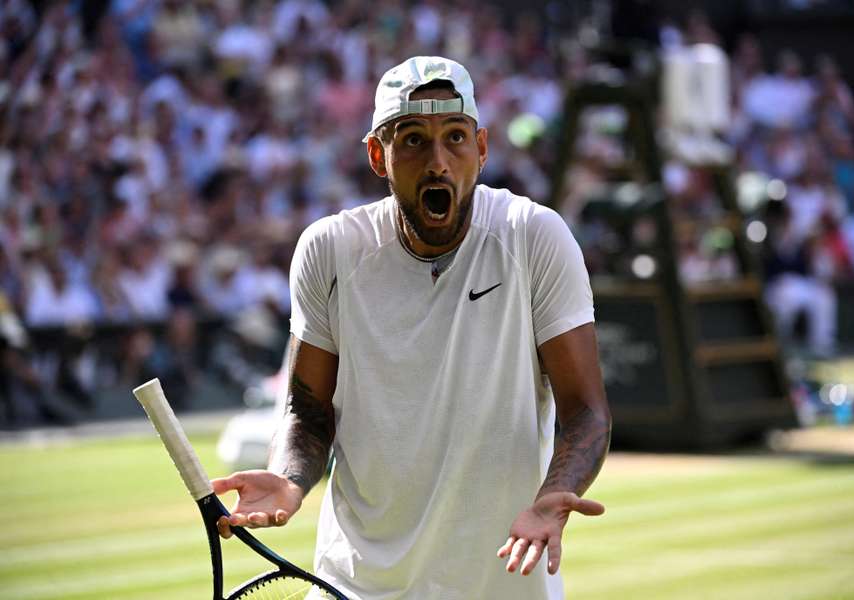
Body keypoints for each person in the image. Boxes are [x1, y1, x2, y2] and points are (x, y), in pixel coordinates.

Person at [211, 56, 612, 599]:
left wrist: (555, 494)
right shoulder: (329, 250)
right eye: (413, 140)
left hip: (501, 585)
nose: (438, 162)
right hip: (356, 585)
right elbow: (307, 409)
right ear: (378, 154)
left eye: (455, 137)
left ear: (482, 148)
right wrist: (289, 478)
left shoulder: (533, 237)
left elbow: (585, 408)